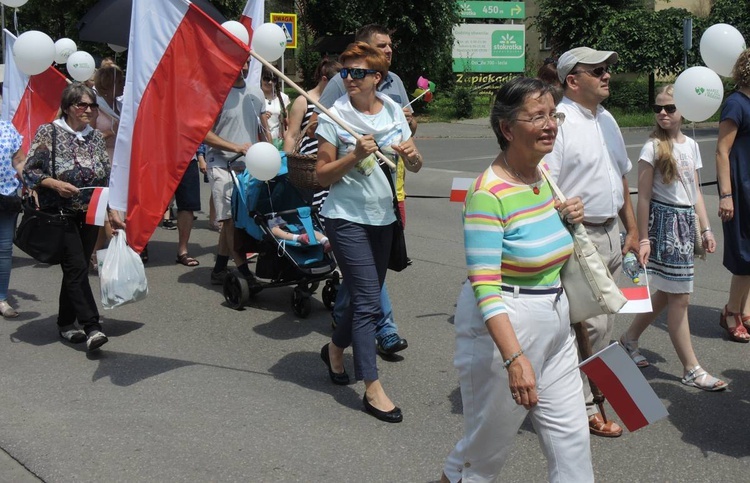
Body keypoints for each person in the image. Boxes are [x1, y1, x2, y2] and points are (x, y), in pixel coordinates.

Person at [441, 77, 591, 483]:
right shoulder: (488, 193)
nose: (550, 124)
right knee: (482, 455)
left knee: (573, 445)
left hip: (555, 320)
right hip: (505, 328)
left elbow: (545, 247)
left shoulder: (542, 177)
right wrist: (514, 358)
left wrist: (567, 217)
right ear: (508, 129)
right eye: (537, 116)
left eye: (553, 114)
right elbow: (484, 285)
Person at [316, 42, 422, 423]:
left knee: (364, 297)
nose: (348, 78)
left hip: (384, 217)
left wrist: (412, 155)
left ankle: (334, 349)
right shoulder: (334, 115)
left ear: (378, 78)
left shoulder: (393, 110)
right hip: (345, 219)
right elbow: (321, 174)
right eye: (345, 72)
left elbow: (416, 166)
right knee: (368, 303)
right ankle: (372, 387)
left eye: (357, 72)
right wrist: (354, 156)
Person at [544, 46, 638, 438]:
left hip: (613, 233)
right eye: (597, 70)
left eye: (607, 69)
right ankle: (586, 405)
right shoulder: (560, 123)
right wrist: (568, 212)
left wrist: (633, 230)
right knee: (592, 325)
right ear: (572, 80)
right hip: (580, 236)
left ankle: (592, 392)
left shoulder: (607, 118)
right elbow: (546, 184)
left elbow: (620, 177)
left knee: (605, 321)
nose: (607, 75)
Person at [619, 85, 727, 391]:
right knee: (681, 297)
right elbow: (643, 198)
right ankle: (691, 368)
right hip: (663, 225)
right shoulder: (651, 147)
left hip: (684, 224)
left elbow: (695, 194)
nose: (663, 114)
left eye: (669, 108)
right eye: (658, 109)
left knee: (668, 293)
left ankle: (628, 339)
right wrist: (642, 238)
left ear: (684, 110)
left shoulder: (691, 146)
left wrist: (705, 229)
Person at [23, 83, 110, 351]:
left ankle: (64, 323)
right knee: (76, 268)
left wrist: (113, 212)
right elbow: (30, 170)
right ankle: (92, 326)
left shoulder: (95, 137)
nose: (87, 110)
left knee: (77, 268)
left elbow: (106, 175)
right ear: (67, 107)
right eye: (81, 105)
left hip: (91, 211)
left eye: (92, 105)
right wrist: (54, 183)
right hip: (61, 213)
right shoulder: (49, 132)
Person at [204, 58, 267, 286]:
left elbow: (262, 128)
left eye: (246, 62)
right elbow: (204, 134)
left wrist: (271, 149)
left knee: (237, 218)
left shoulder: (256, 93)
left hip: (250, 165)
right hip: (222, 164)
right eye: (237, 61)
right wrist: (235, 147)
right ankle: (245, 274)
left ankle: (219, 269)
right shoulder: (216, 94)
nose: (243, 67)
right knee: (230, 220)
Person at [715, 48, 750, 341]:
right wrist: (726, 195)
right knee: (744, 256)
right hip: (740, 190)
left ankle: (744, 309)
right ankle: (730, 312)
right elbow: (722, 151)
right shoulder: (736, 104)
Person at [283, 58, 342, 226]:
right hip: (308, 164)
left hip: (332, 160)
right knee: (313, 205)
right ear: (324, 80)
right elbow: (292, 135)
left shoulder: (338, 101)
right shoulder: (304, 100)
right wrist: (286, 163)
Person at [91, 65, 125, 268]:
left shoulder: (120, 106)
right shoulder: (96, 107)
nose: (122, 84)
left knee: (117, 210)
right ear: (107, 85)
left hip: (121, 163)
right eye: (119, 81)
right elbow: (88, 137)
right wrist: (110, 133)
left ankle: (96, 252)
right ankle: (114, 253)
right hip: (103, 162)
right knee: (107, 212)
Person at [0, 120, 24, 318]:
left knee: (5, 248)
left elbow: (18, 161)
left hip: (6, 197)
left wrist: (32, 182)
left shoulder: (7, 128)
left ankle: (1, 298)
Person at [174, 144, 205, 267]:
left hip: (187, 158)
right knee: (149, 203)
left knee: (187, 206)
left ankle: (183, 251)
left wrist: (200, 156)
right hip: (158, 156)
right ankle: (142, 245)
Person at [260, 66, 290, 150]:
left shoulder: (283, 98)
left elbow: (287, 125)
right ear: (261, 78)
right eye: (266, 78)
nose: (270, 82)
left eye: (273, 80)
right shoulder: (255, 97)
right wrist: (261, 118)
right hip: (260, 140)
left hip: (278, 142)